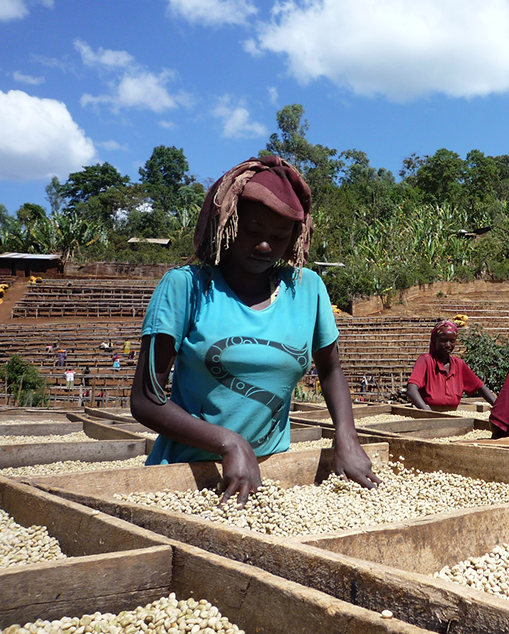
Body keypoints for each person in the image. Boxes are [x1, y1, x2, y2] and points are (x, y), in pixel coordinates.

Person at [130, 155, 380, 506]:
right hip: (187, 474)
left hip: (275, 473)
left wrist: (347, 437)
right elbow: (145, 400)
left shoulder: (307, 289)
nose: (266, 246)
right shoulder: (186, 287)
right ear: (227, 224)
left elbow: (331, 369)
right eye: (252, 231)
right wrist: (229, 443)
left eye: (279, 236)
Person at [406, 320, 496, 411]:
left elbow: (480, 387)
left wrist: (498, 407)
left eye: (452, 341)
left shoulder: (458, 364)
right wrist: (427, 412)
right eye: (443, 340)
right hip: (428, 414)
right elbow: (411, 389)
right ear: (434, 340)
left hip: (452, 414)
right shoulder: (426, 361)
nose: (448, 345)